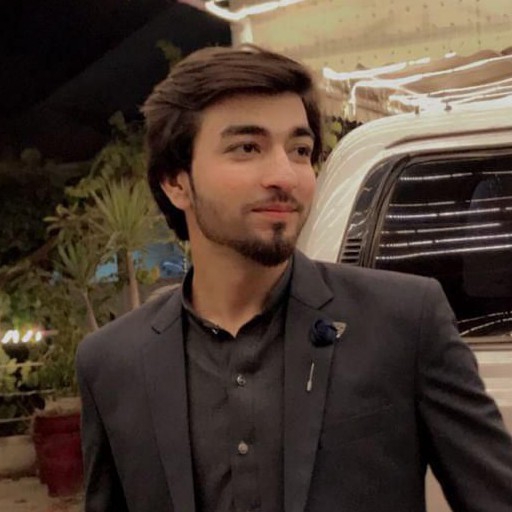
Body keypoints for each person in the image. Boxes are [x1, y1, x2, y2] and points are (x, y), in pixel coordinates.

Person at [76, 45, 512, 512]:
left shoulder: (404, 322)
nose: (285, 175)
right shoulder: (113, 363)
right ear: (176, 182)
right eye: (247, 148)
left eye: (299, 150)